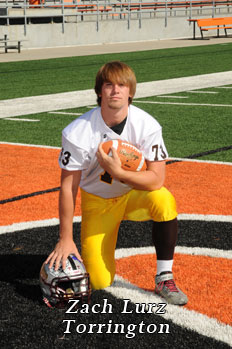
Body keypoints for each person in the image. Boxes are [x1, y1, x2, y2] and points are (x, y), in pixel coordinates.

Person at [46, 61, 188, 305]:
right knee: (100, 282)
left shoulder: (147, 125)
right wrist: (65, 238)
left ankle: (164, 276)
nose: (115, 90)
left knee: (164, 199)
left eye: (122, 85)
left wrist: (119, 173)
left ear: (130, 91)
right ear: (99, 90)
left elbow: (156, 179)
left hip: (131, 195)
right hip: (98, 203)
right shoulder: (77, 132)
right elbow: (68, 188)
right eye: (109, 84)